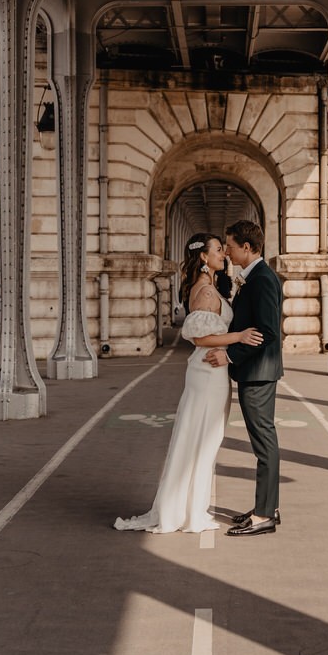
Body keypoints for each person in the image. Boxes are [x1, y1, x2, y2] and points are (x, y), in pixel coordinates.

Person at [114, 234, 263, 534]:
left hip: (208, 372)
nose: (224, 254)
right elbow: (200, 339)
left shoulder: (206, 288)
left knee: (198, 440)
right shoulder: (206, 292)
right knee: (203, 441)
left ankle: (189, 508)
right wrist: (239, 336)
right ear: (204, 258)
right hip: (208, 374)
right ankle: (190, 512)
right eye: (219, 250)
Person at [207, 219, 284, 538]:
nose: (227, 251)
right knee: (263, 441)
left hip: (258, 373)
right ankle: (268, 506)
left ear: (248, 247)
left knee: (263, 443)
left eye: (231, 246)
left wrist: (230, 355)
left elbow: (267, 332)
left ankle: (265, 514)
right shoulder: (255, 278)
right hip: (257, 372)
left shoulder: (263, 280)